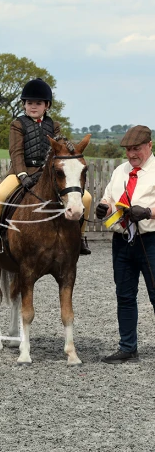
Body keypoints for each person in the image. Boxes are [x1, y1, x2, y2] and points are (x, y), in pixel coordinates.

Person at [0, 78, 93, 255]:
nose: (33, 107)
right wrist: (22, 175)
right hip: (23, 171)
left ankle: (80, 237)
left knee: (86, 198)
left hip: (47, 174)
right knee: (0, 194)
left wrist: (69, 148)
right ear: (24, 105)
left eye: (38, 103)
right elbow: (16, 152)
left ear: (46, 106)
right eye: (29, 103)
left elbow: (59, 148)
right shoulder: (17, 124)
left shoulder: (54, 125)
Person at [96, 125, 155, 364]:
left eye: (136, 149)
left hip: (151, 240)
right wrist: (104, 207)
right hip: (122, 241)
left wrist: (149, 212)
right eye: (128, 149)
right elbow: (109, 197)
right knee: (125, 296)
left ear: (149, 145)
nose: (131, 154)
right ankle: (128, 347)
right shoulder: (120, 171)